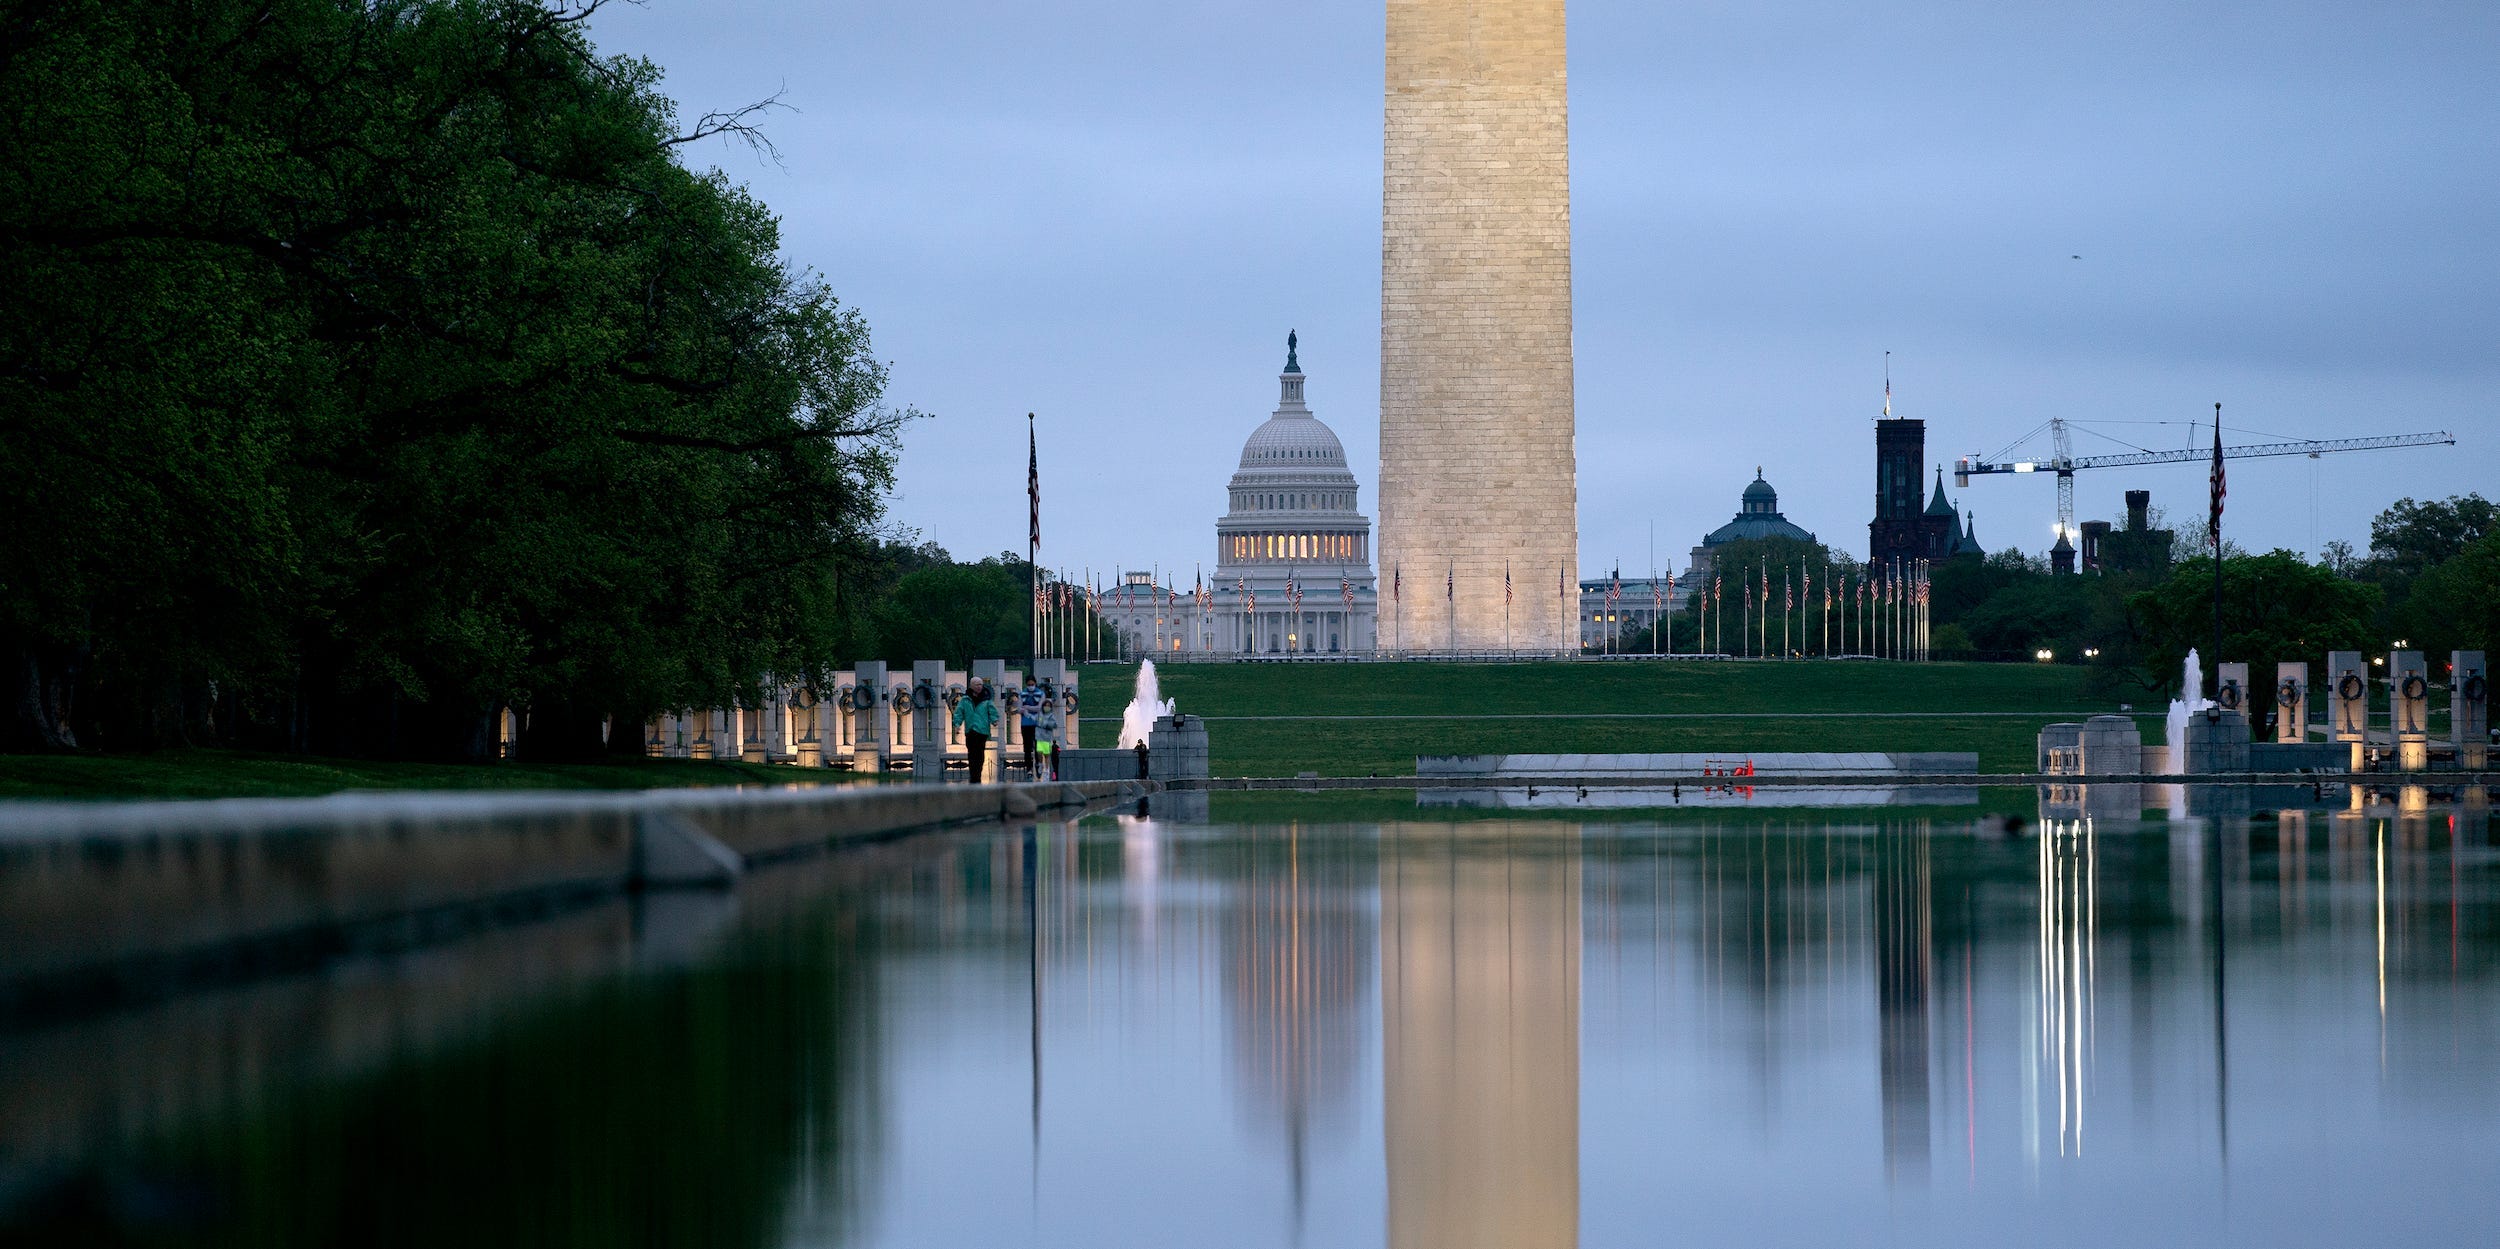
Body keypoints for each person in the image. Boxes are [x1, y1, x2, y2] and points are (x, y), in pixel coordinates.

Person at [953, 677, 999, 782]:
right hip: (970, 730)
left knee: (980, 753)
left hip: (982, 731)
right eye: (977, 684)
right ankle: (973, 775)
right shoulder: (965, 700)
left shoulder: (986, 699)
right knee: (971, 753)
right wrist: (957, 724)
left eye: (981, 684)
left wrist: (994, 720)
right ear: (971, 686)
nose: (979, 687)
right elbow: (959, 712)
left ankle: (977, 774)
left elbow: (992, 711)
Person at [1018, 684, 1044, 777]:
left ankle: (1038, 764)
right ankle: (1029, 769)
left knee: (1038, 746)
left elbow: (1039, 708)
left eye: (1032, 684)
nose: (1030, 686)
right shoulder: (1022, 694)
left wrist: (1027, 707)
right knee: (1027, 748)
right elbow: (1019, 709)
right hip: (1025, 725)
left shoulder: (1040, 693)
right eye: (1028, 684)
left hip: (1037, 724)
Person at [1035, 698, 1062, 781]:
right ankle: (1040, 765)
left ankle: (1046, 771)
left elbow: (1055, 724)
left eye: (1048, 706)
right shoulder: (1040, 715)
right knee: (1039, 753)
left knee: (1046, 755)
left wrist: (1046, 724)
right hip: (1039, 737)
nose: (1047, 707)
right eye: (1045, 706)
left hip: (1046, 739)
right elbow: (1038, 723)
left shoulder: (1051, 716)